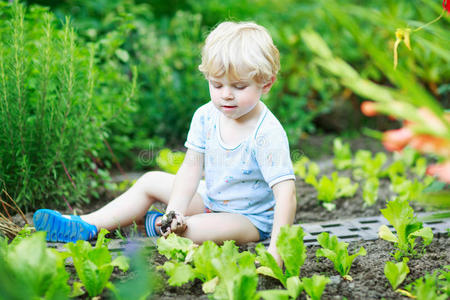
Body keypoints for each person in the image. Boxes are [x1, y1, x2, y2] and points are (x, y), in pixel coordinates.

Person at [33, 21, 297, 265]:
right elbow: (191, 170)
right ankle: (88, 224)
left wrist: (277, 247)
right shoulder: (206, 116)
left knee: (193, 230)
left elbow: (286, 194)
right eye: (217, 85)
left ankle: (151, 225)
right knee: (150, 182)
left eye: (239, 87)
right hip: (213, 198)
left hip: (249, 219)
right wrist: (175, 211)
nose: (226, 95)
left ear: (266, 84)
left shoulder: (266, 133)